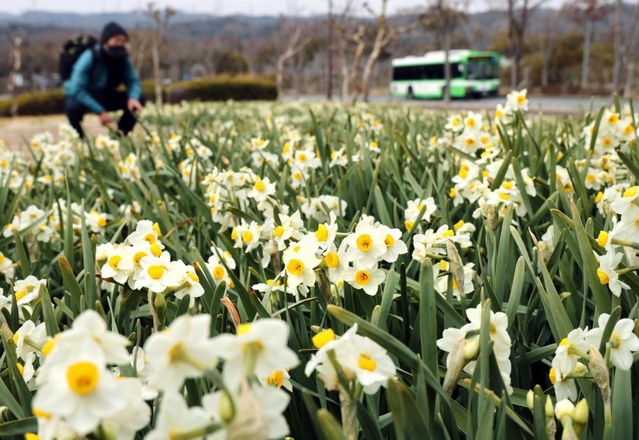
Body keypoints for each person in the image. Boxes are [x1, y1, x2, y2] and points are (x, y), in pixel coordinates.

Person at [64, 22, 144, 138]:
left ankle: (121, 136)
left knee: (138, 100)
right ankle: (79, 138)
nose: (120, 44)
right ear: (105, 42)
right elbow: (77, 88)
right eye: (117, 40)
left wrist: (133, 97)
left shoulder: (123, 57)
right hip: (82, 95)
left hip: (104, 94)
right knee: (73, 107)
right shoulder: (89, 56)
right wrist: (100, 111)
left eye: (123, 41)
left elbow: (133, 81)